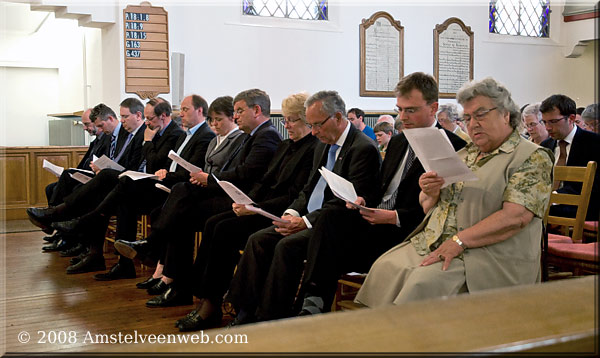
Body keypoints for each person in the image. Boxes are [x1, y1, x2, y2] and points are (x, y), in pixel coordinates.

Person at [355, 77, 553, 307]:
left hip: (491, 253)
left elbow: (516, 217)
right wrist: (430, 192)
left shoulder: (531, 156)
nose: (472, 124)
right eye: (467, 118)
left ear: (505, 114)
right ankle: (381, 338)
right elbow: (430, 207)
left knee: (423, 282)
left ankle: (416, 341)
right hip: (440, 242)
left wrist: (459, 241)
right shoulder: (465, 154)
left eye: (480, 114)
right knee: (385, 266)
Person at [296, 72, 467, 316]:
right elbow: (381, 188)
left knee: (321, 243)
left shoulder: (453, 146)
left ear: (434, 108)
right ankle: (313, 302)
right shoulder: (397, 142)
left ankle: (314, 306)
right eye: (399, 110)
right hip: (376, 220)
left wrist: (395, 217)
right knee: (330, 217)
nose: (402, 117)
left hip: (407, 229)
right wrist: (363, 200)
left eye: (411, 110)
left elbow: (445, 211)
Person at [223, 90, 381, 325]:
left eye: (317, 125)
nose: (314, 131)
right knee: (259, 240)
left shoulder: (362, 148)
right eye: (311, 125)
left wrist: (305, 222)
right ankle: (244, 310)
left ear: (338, 117)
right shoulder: (322, 144)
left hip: (333, 228)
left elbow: (346, 203)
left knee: (286, 246)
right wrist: (291, 213)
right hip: (308, 217)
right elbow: (308, 190)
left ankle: (272, 317)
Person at [116, 89, 282, 308]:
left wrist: (209, 179)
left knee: (182, 207)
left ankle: (165, 264)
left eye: (240, 111)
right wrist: (206, 179)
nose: (236, 115)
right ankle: (176, 282)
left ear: (257, 110)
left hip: (240, 198)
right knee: (180, 202)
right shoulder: (252, 135)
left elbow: (246, 173)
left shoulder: (266, 134)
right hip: (230, 192)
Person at [174, 92, 319, 332]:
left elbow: (295, 193)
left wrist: (257, 208)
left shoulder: (313, 148)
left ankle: (224, 305)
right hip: (261, 206)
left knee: (224, 230)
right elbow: (265, 180)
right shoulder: (285, 144)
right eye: (285, 120)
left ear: (307, 120)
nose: (286, 125)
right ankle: (204, 297)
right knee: (214, 223)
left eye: (291, 120)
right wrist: (247, 202)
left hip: (280, 212)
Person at [540, 95, 600, 221]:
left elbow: (594, 186)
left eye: (553, 121)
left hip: (583, 210)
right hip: (547, 207)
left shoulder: (594, 143)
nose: (547, 128)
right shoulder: (545, 146)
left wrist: (555, 198)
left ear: (571, 118)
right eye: (544, 122)